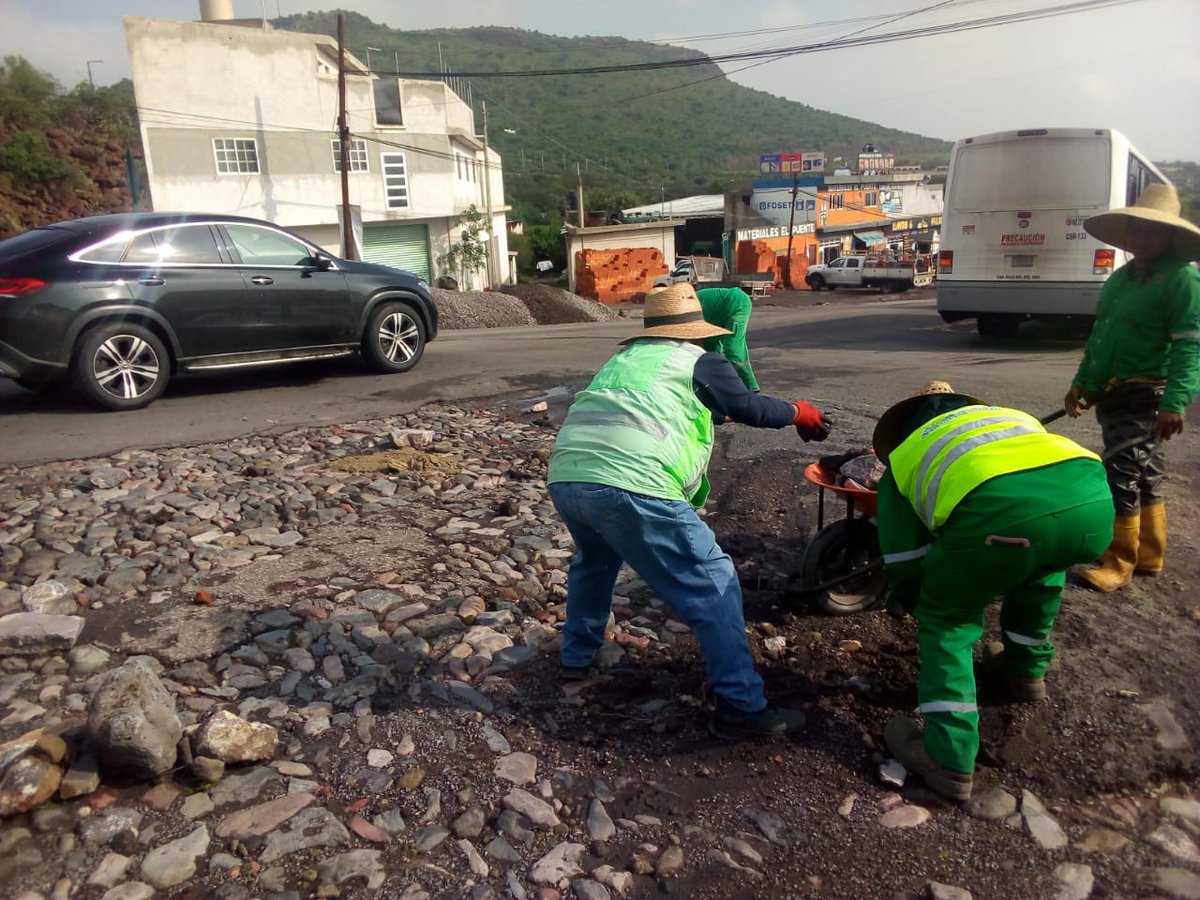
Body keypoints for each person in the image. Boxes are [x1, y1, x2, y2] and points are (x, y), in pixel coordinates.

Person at [546, 283, 833, 739]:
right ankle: (740, 706)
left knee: (594, 564)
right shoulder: (698, 360)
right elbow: (748, 407)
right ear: (696, 331)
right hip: (633, 483)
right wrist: (799, 412)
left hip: (568, 477)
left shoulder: (624, 361)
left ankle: (577, 657)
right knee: (714, 581)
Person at [874, 381, 1114, 800]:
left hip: (1001, 520)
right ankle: (1025, 671)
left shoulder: (907, 453)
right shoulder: (1007, 418)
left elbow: (905, 557)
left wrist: (910, 599)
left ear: (906, 425)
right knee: (1040, 572)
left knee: (947, 623)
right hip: (1092, 504)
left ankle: (948, 758)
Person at [1064, 182, 1200, 592]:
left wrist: (1175, 402)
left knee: (1120, 470)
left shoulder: (1182, 280)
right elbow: (1102, 338)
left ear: (1172, 235)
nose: (1144, 237)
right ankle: (1148, 554)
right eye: (1138, 230)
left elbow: (1189, 348)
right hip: (1112, 392)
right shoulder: (1123, 278)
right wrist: (1081, 386)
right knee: (1145, 471)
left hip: (1147, 394)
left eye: (1154, 231)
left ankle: (1118, 561)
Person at [696, 286, 759, 391]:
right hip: (715, 317)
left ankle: (751, 387)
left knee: (733, 349)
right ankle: (716, 388)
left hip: (736, 303)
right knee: (709, 354)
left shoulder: (682, 309)